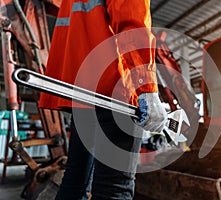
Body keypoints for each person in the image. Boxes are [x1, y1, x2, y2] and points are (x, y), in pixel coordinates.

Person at [38, 0, 167, 199]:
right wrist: (146, 87)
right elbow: (132, 22)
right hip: (115, 91)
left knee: (75, 181)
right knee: (114, 188)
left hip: (83, 91)